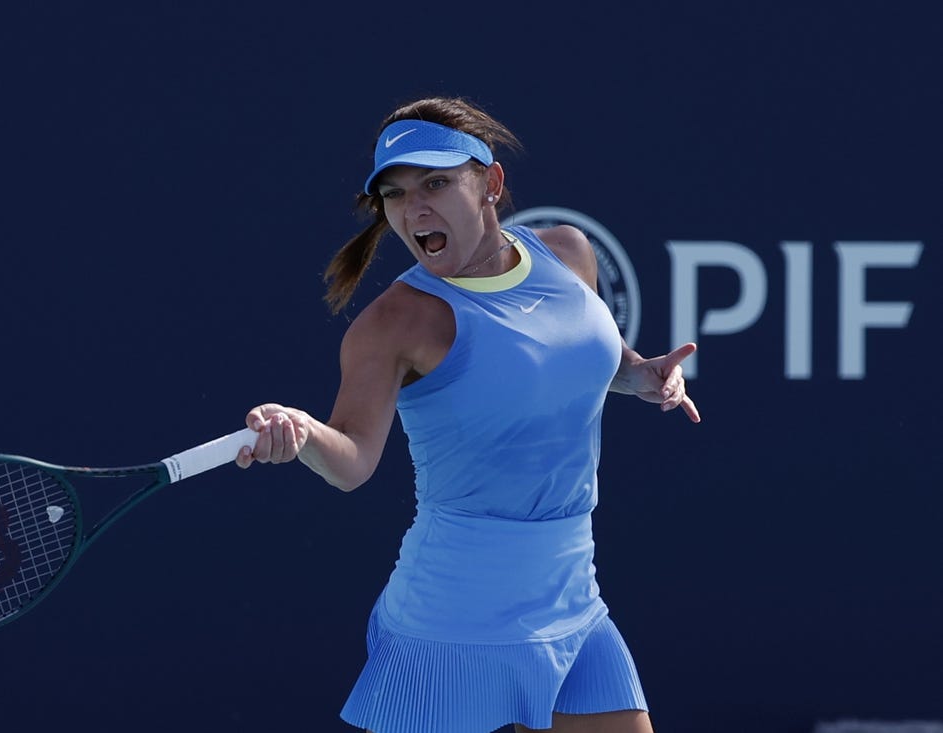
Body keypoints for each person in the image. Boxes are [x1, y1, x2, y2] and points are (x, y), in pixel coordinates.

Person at [235, 96, 700, 733]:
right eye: (396, 195)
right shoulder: (396, 323)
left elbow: (587, 356)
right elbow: (352, 462)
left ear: (491, 183)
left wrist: (640, 375)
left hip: (571, 598)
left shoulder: (567, 253)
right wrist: (306, 434)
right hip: (453, 615)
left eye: (436, 182)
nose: (416, 208)